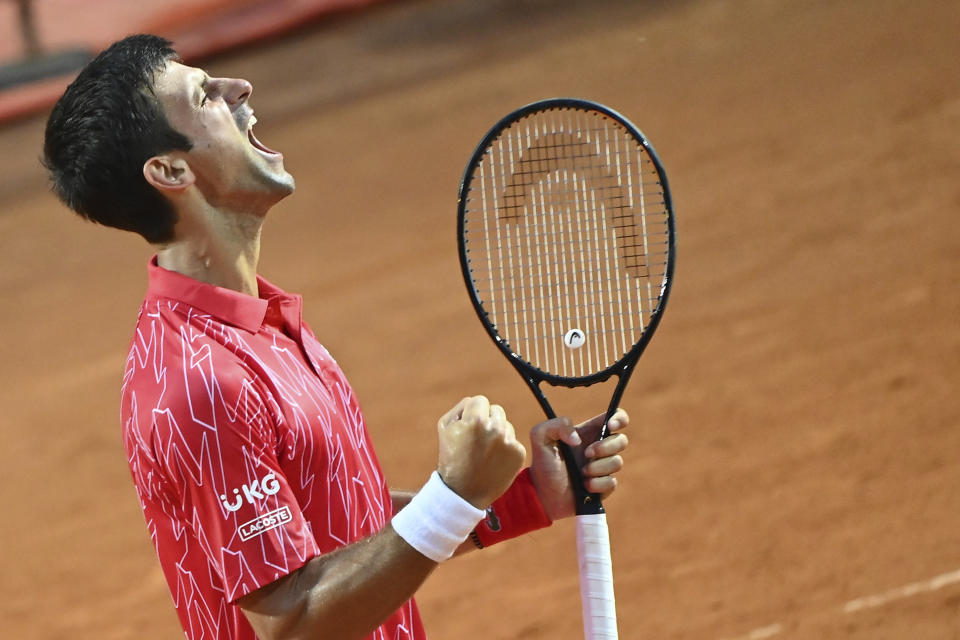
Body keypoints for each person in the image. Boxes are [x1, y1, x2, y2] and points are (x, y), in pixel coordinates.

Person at [42, 34, 631, 640]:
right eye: (204, 95)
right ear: (170, 170)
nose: (239, 89)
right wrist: (454, 494)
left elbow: (340, 524)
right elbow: (292, 624)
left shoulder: (256, 321)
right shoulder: (200, 385)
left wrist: (518, 497)